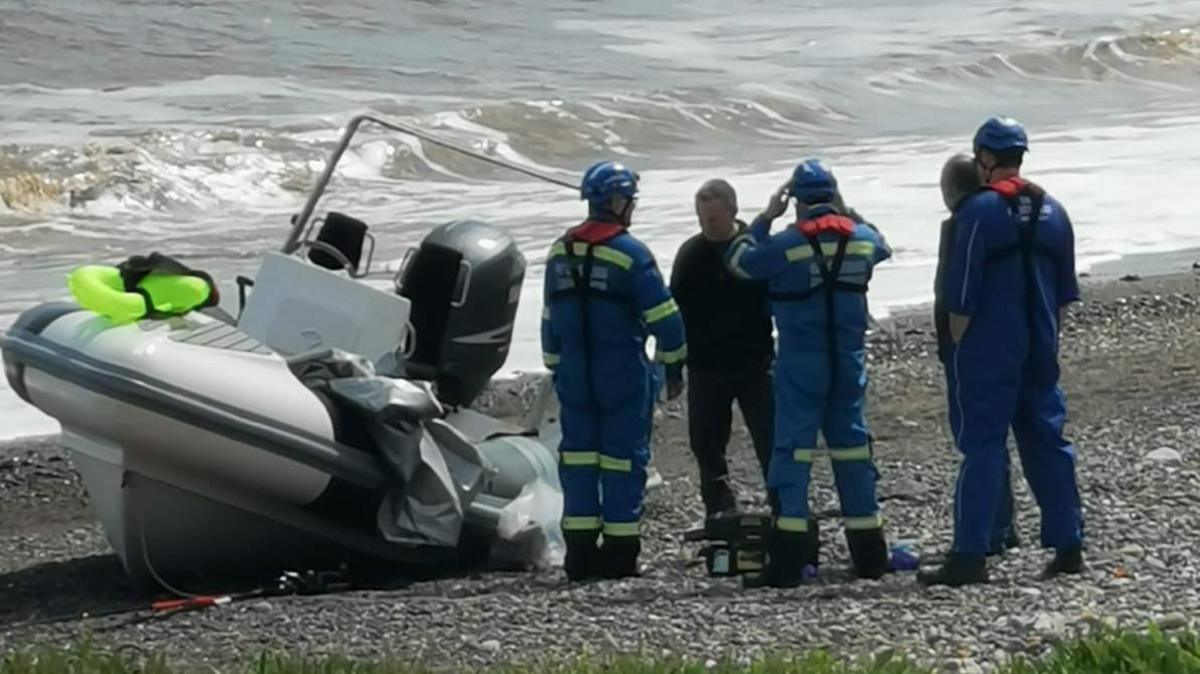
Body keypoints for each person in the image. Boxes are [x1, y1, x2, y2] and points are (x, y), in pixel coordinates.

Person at [919, 117, 1085, 587]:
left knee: (984, 446)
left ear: (983, 158)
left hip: (989, 348)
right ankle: (1069, 543)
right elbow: (1065, 294)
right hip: (1040, 344)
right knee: (1048, 442)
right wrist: (1049, 342)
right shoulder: (1054, 210)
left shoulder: (979, 214)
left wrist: (955, 350)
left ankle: (970, 554)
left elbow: (963, 296)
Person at [725, 159, 891, 587]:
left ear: (796, 201)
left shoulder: (785, 244)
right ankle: (869, 552)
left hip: (802, 361)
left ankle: (788, 560)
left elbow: (738, 260)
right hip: (848, 360)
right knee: (853, 451)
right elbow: (883, 245)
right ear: (833, 195)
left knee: (793, 454)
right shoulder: (861, 240)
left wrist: (765, 216)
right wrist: (848, 211)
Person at [541, 160, 688, 581]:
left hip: (574, 372)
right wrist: (672, 364)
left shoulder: (559, 251)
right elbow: (667, 320)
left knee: (579, 460)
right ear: (619, 202)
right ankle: (621, 555)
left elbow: (550, 319)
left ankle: (581, 557)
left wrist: (556, 366)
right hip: (620, 371)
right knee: (623, 460)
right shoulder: (630, 254)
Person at [669, 179, 776, 520]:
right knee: (706, 446)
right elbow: (673, 314)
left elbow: (783, 300)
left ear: (732, 211)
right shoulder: (690, 254)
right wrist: (673, 368)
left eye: (713, 220)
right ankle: (720, 512)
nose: (707, 226)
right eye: (702, 220)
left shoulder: (757, 251)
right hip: (706, 366)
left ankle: (784, 508)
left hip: (755, 363)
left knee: (772, 442)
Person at [936, 154, 1020, 557]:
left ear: (951, 191)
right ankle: (1003, 524)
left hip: (969, 347)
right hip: (1001, 340)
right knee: (992, 440)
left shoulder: (963, 226)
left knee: (978, 440)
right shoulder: (1000, 219)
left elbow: (956, 293)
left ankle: (990, 530)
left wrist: (954, 346)